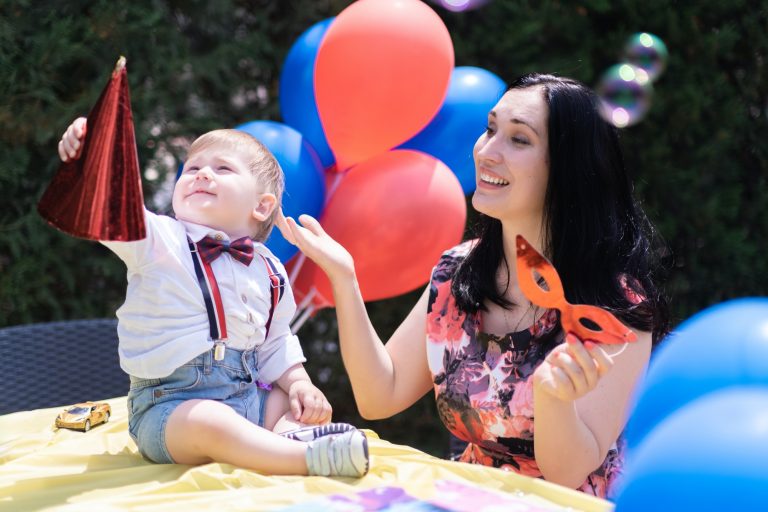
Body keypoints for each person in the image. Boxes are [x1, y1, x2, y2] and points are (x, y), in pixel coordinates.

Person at [278, 73, 669, 497]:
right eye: (490, 129)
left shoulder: (613, 307)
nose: (486, 151)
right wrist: (344, 278)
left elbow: (566, 474)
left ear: (569, 170)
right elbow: (380, 394)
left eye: (519, 140)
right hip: (469, 495)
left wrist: (554, 399)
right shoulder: (456, 270)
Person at [56, 117, 369, 477]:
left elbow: (275, 342)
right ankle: (303, 458)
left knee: (286, 402)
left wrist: (300, 383)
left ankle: (293, 436)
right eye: (192, 168)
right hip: (170, 409)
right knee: (210, 421)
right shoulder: (161, 240)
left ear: (262, 207)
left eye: (222, 168)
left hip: (247, 399)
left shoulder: (270, 270)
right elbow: (112, 211)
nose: (202, 174)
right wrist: (89, 159)